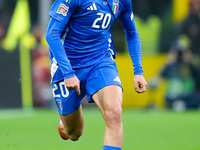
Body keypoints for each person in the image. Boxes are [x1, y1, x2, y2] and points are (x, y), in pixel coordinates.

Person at [46, 0, 147, 149]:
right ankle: (65, 121)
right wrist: (68, 73)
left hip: (101, 61)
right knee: (74, 133)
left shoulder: (122, 1)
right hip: (67, 65)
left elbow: (132, 33)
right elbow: (52, 34)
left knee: (115, 113)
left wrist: (138, 71)